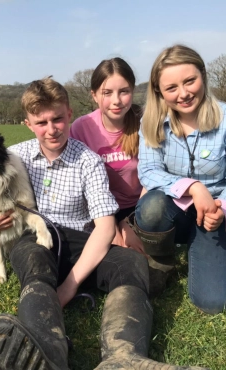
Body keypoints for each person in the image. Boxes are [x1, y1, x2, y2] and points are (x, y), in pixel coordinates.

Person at [0, 78, 208, 369]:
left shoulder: (89, 161)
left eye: (58, 119)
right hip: (37, 238)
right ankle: (47, 351)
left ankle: (123, 358)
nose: (51, 129)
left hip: (81, 241)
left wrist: (69, 286)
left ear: (69, 115)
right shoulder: (16, 155)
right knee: (31, 255)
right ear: (28, 124)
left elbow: (105, 227)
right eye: (41, 122)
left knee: (131, 263)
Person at [134, 44, 226, 315]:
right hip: (172, 210)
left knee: (214, 303)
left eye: (190, 81)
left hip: (213, 213)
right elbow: (149, 172)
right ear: (159, 91)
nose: (184, 93)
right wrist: (192, 186)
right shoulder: (151, 121)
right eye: (172, 88)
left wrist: (222, 210)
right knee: (151, 208)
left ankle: (215, 259)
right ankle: (162, 259)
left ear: (203, 75)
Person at [70, 58, 172, 296]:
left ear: (133, 91)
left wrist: (131, 222)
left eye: (124, 91)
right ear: (94, 95)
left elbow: (156, 174)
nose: (116, 101)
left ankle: (160, 252)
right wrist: (112, 224)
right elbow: (82, 184)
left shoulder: (146, 122)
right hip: (102, 211)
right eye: (107, 92)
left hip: (143, 207)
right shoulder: (81, 128)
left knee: (151, 277)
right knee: (112, 259)